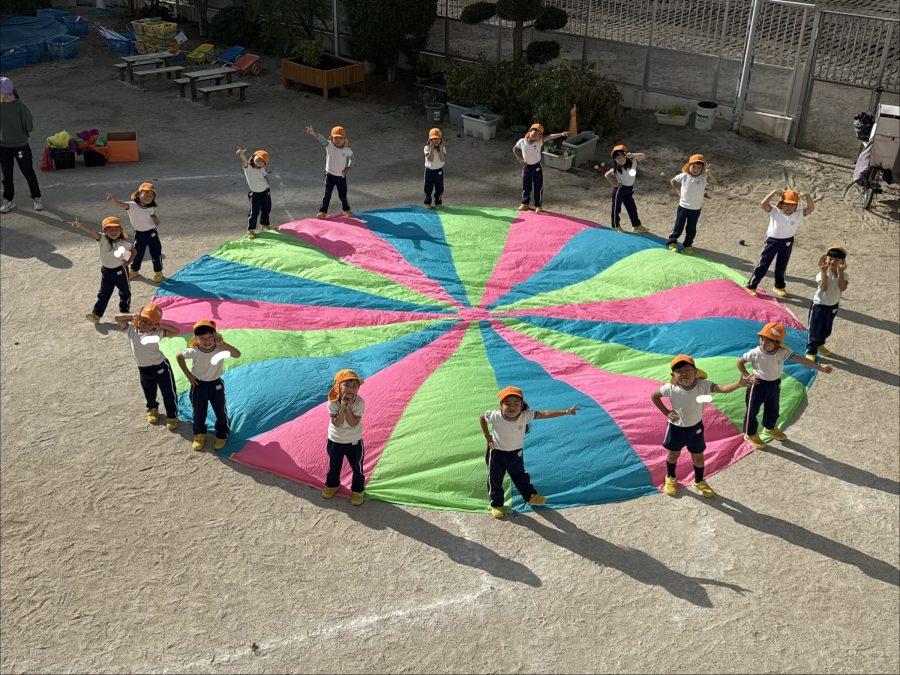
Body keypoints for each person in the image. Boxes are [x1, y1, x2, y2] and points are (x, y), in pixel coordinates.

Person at [650, 355, 749, 498]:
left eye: (687, 369)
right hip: (675, 429)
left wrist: (739, 384)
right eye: (679, 371)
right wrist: (667, 413)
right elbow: (654, 396)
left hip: (695, 428)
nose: (684, 373)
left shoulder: (702, 385)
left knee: (698, 457)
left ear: (695, 372)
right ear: (673, 375)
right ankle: (670, 477)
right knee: (673, 455)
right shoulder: (671, 388)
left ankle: (699, 481)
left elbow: (722, 388)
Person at [479, 386, 578, 519]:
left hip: (516, 453)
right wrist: (487, 436)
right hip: (497, 453)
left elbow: (545, 413)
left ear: (521, 405)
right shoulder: (495, 416)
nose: (512, 406)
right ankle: (496, 504)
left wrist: (566, 411)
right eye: (507, 403)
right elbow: (482, 417)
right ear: (501, 405)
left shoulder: (525, 416)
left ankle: (530, 497)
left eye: (516, 403)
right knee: (495, 479)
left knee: (521, 475)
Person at [737, 321, 832, 449]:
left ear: (777, 343)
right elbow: (739, 363)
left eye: (768, 341)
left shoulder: (782, 352)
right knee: (752, 410)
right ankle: (750, 434)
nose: (763, 343)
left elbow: (801, 360)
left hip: (774, 384)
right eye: (762, 339)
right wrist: (748, 375)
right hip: (758, 385)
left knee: (773, 408)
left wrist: (821, 368)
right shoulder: (755, 352)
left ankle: (769, 428)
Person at [176, 320, 242, 452]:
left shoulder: (220, 348)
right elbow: (179, 357)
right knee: (199, 412)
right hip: (198, 385)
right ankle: (199, 434)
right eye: (202, 338)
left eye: (210, 337)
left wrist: (222, 343)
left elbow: (237, 354)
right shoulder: (194, 351)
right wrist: (188, 375)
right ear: (196, 338)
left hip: (216, 384)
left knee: (220, 411)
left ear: (215, 336)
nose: (207, 341)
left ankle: (222, 433)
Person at [114, 303, 181, 429]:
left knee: (168, 393)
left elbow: (176, 331)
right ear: (138, 318)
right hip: (144, 369)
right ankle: (152, 409)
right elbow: (117, 318)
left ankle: (172, 415)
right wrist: (131, 316)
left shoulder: (157, 332)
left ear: (155, 324)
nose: (145, 325)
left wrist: (160, 326)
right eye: (144, 321)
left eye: (151, 323)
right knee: (149, 391)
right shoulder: (131, 329)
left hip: (161, 368)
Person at [746, 189, 815, 298]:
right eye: (786, 204)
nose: (789, 207)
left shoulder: (798, 214)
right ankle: (752, 286)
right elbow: (763, 204)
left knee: (782, 265)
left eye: (792, 204)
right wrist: (773, 192)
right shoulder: (775, 211)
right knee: (763, 264)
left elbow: (811, 209)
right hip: (772, 242)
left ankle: (779, 286)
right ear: (781, 203)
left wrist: (807, 196)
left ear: (796, 205)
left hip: (787, 242)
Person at [71, 216, 135, 323]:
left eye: (116, 229)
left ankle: (124, 313)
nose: (113, 232)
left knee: (125, 292)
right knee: (104, 293)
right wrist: (80, 226)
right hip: (106, 271)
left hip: (120, 271)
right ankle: (96, 314)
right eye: (110, 229)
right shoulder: (102, 239)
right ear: (104, 231)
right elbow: (92, 231)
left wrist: (128, 262)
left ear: (121, 230)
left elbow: (134, 251)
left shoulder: (124, 243)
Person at [322, 369, 367, 505]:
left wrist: (348, 408)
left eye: (354, 386)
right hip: (335, 440)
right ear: (338, 387)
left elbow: (353, 423)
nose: (350, 389)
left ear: (358, 388)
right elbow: (336, 423)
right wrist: (342, 407)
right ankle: (333, 484)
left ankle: (358, 490)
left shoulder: (359, 403)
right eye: (346, 385)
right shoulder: (332, 402)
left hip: (354, 441)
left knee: (357, 467)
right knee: (334, 465)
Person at [0, 76, 43, 213]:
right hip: (3, 147)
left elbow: (29, 126)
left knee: (28, 171)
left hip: (20, 146)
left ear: (5, 92)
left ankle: (36, 197)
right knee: (6, 175)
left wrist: (19, 134)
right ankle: (8, 200)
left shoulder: (20, 107)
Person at [106, 182, 165, 282]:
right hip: (139, 234)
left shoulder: (151, 207)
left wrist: (155, 219)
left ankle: (158, 273)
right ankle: (134, 270)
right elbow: (122, 205)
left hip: (152, 233)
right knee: (137, 253)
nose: (148, 197)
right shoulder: (132, 205)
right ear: (139, 193)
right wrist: (114, 201)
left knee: (156, 253)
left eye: (151, 195)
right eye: (146, 194)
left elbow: (153, 216)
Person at [512, 123, 570, 214]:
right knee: (526, 186)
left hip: (536, 167)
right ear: (530, 131)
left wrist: (562, 134)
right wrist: (519, 159)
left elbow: (550, 136)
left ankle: (538, 205)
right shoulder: (522, 141)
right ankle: (525, 203)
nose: (536, 134)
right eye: (535, 131)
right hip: (527, 167)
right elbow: (515, 149)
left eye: (539, 134)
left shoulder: (539, 142)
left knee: (538, 186)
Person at [667, 153, 717, 254]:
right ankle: (672, 242)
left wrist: (709, 173)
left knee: (691, 229)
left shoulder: (703, 177)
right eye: (693, 166)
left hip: (696, 209)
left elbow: (714, 182)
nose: (695, 169)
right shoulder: (684, 176)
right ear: (689, 166)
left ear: (702, 168)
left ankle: (688, 245)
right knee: (678, 226)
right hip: (683, 207)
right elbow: (673, 181)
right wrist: (678, 191)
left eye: (699, 167)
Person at [806, 245, 849, 359]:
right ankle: (811, 350)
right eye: (830, 258)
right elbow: (824, 288)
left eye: (837, 259)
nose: (833, 262)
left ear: (842, 262)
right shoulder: (821, 274)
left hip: (833, 306)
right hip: (819, 305)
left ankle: (820, 344)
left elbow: (842, 287)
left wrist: (840, 272)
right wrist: (824, 272)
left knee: (826, 329)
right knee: (814, 329)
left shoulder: (844, 275)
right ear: (825, 259)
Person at [306, 125, 353, 219]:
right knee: (327, 195)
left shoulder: (347, 150)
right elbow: (322, 139)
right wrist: (313, 133)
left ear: (344, 139)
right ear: (331, 138)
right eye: (335, 138)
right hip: (330, 176)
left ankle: (346, 209)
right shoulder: (329, 146)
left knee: (343, 195)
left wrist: (348, 167)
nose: (338, 140)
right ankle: (322, 211)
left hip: (341, 177)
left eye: (340, 138)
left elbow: (352, 158)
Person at [604, 144, 649, 232]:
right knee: (616, 209)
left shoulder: (633, 161)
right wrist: (614, 183)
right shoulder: (616, 169)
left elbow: (643, 155)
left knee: (632, 208)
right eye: (617, 158)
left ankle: (636, 226)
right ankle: (615, 226)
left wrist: (632, 155)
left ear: (626, 155)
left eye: (621, 157)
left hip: (629, 190)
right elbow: (607, 175)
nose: (619, 160)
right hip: (620, 191)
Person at [236, 147, 271, 239]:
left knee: (266, 210)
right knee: (253, 213)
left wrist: (267, 180)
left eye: (262, 161)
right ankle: (250, 230)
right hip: (255, 195)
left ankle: (264, 225)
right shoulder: (248, 168)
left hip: (266, 192)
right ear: (253, 157)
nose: (260, 162)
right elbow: (244, 161)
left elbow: (265, 176)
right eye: (258, 159)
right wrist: (241, 154)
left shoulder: (262, 168)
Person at [423, 128, 446, 209]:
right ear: (430, 140)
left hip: (439, 171)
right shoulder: (427, 148)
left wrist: (441, 149)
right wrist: (432, 149)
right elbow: (430, 159)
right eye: (434, 139)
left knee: (439, 187)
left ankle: (438, 201)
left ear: (441, 139)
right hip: (429, 171)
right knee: (428, 187)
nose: (436, 141)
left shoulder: (442, 148)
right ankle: (428, 200)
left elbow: (442, 159)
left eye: (438, 138)